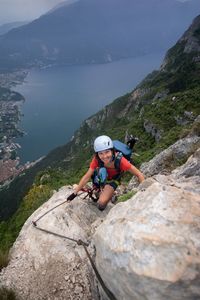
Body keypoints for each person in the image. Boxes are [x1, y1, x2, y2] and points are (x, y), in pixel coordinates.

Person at [67, 135, 145, 210]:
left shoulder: (120, 161)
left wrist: (144, 192)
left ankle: (110, 194)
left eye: (107, 152)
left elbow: (139, 174)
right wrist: (74, 193)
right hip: (101, 178)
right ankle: (99, 189)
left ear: (112, 151)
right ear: (97, 154)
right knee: (99, 176)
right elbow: (87, 176)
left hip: (113, 180)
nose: (104, 156)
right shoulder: (97, 159)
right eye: (101, 153)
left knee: (101, 204)